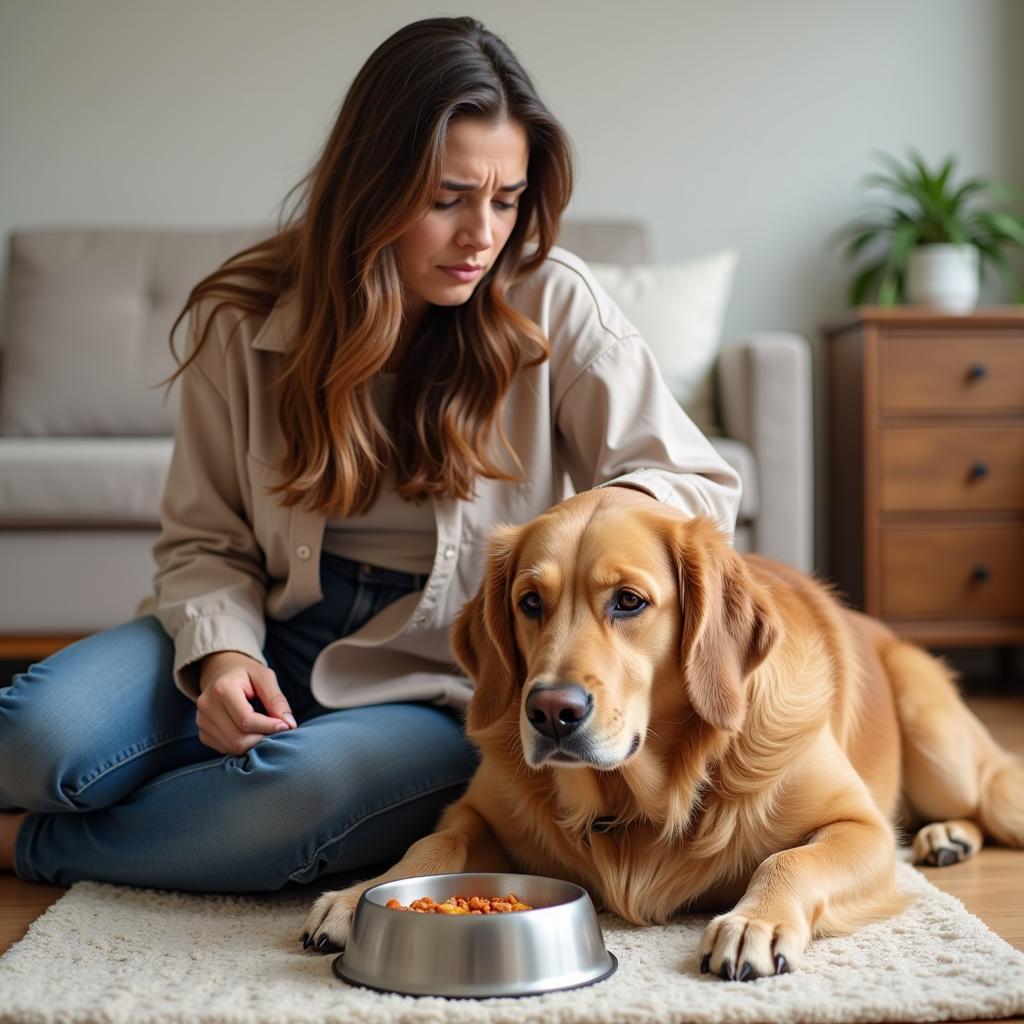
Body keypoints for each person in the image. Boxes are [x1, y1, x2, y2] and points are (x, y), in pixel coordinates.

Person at [0, 16, 740, 893]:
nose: (482, 235)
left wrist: (587, 526)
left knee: (290, 802)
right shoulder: (241, 317)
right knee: (32, 737)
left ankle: (27, 846)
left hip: (442, 676)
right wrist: (223, 657)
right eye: (447, 198)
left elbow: (698, 489)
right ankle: (179, 806)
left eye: (505, 200)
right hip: (274, 628)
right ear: (371, 185)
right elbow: (204, 540)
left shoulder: (556, 302)